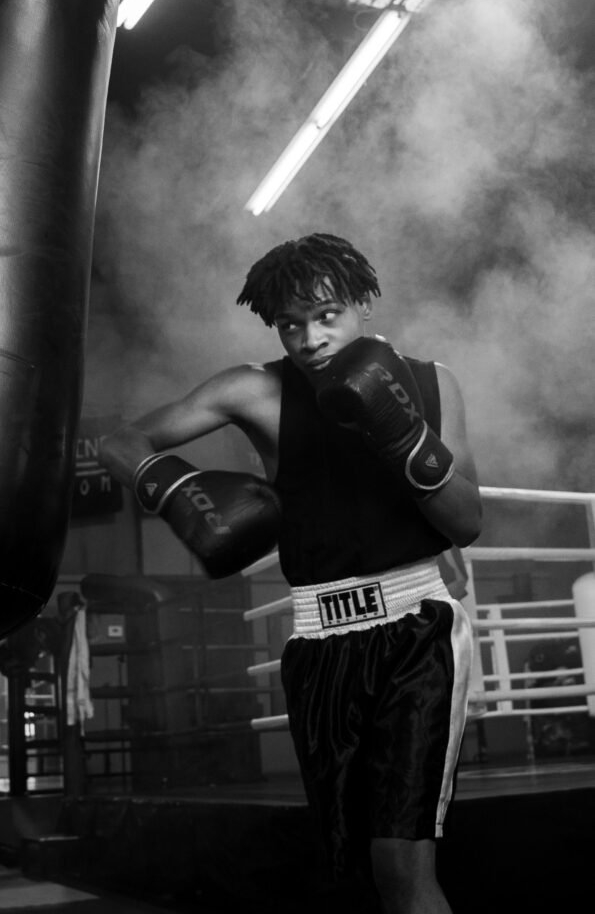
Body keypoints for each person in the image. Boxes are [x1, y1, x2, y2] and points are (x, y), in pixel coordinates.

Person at [99, 232, 482, 914]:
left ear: (360, 303)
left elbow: (465, 521)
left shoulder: (430, 381)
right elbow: (118, 442)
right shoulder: (255, 389)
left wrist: (402, 436)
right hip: (318, 641)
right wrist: (172, 491)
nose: (308, 338)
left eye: (326, 315)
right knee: (352, 862)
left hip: (416, 632)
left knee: (401, 860)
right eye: (290, 324)